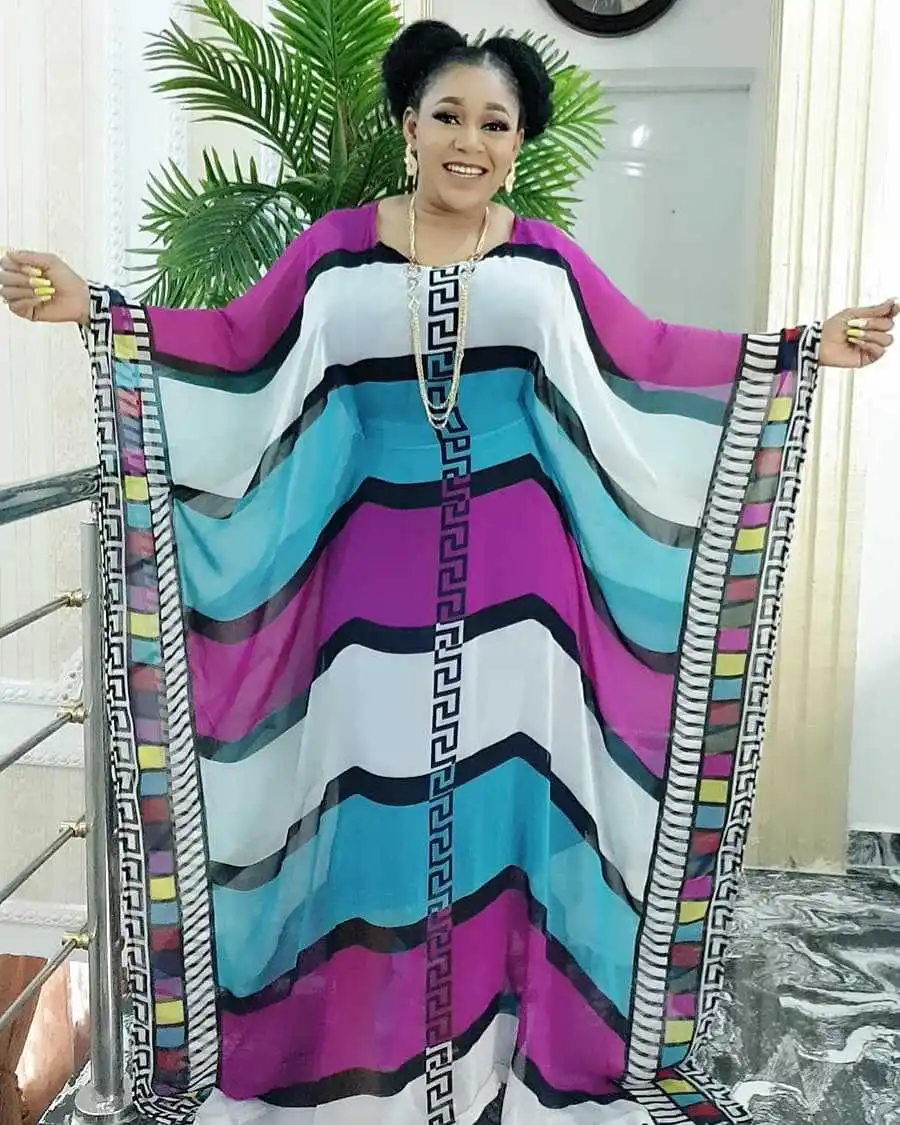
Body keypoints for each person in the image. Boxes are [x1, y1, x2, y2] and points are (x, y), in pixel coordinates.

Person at [1, 18, 895, 1125]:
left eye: (497, 124)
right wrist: (92, 307)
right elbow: (235, 345)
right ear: (408, 127)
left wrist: (805, 348)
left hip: (524, 596)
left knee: (500, 817)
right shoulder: (333, 250)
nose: (472, 140)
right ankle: (372, 1064)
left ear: (517, 145)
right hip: (369, 582)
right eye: (451, 116)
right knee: (374, 804)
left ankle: (488, 1054)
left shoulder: (547, 258)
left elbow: (653, 355)